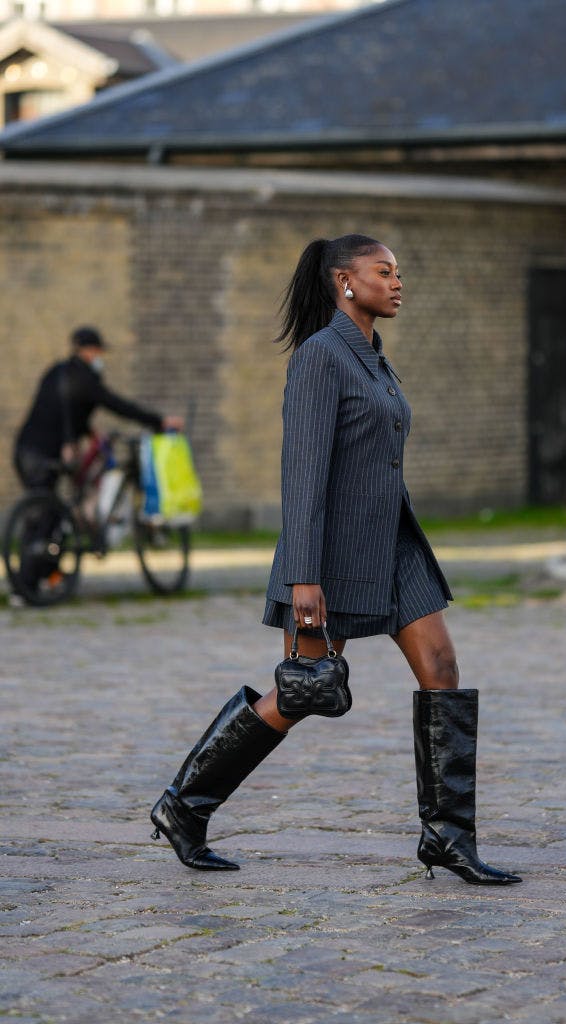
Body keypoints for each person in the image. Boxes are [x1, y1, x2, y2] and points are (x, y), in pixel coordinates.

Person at [151, 234, 522, 886]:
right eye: (385, 272)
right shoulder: (321, 358)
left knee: (441, 666)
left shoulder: (373, 359)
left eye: (398, 272)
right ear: (346, 282)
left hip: (394, 542)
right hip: (333, 553)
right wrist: (303, 576)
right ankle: (184, 805)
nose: (397, 282)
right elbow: (302, 475)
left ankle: (446, 838)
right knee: (303, 691)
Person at [13, 325, 183, 491]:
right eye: (98, 352)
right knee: (47, 511)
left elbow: (62, 410)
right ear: (89, 351)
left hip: (25, 448)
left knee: (45, 508)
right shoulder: (85, 380)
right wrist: (160, 421)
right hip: (43, 456)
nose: (100, 357)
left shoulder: (57, 371)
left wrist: (88, 432)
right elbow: (118, 406)